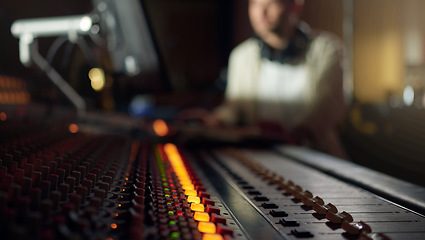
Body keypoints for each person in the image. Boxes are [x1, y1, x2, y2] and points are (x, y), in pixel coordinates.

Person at [181, 0, 347, 158]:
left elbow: (328, 106)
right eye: (254, 4)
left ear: (295, 5)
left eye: (272, 3)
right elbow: (234, 108)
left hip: (315, 158)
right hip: (262, 157)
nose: (261, 13)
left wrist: (294, 135)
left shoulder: (327, 48)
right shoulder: (242, 55)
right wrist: (214, 120)